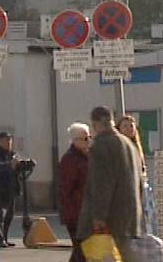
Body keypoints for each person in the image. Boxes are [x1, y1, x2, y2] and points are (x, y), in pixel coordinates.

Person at [78, 107, 145, 260]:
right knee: (125, 255)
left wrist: (98, 216)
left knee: (105, 256)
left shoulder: (101, 145)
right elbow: (140, 182)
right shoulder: (128, 144)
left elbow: (101, 184)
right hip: (130, 216)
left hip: (110, 218)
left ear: (95, 124)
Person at [117, 116, 157, 236]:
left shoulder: (136, 147)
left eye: (131, 126)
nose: (129, 129)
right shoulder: (119, 146)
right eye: (125, 126)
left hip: (140, 189)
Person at [58, 123, 92, 262]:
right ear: (75, 140)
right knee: (81, 251)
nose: (88, 140)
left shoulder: (86, 157)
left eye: (89, 137)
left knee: (81, 251)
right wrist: (72, 213)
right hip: (76, 213)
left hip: (85, 212)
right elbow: (66, 189)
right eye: (85, 138)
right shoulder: (70, 159)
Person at [0, 131, 22, 248]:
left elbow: (16, 169)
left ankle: (5, 238)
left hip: (11, 189)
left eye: (10, 140)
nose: (9, 143)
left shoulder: (12, 154)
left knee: (9, 215)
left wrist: (23, 165)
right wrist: (11, 165)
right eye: (6, 140)